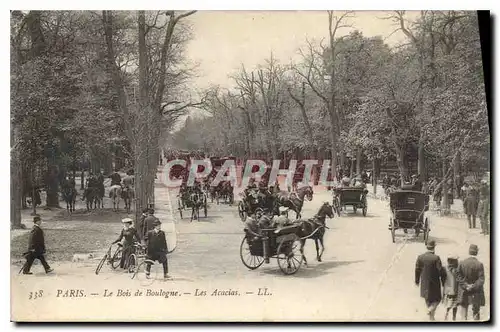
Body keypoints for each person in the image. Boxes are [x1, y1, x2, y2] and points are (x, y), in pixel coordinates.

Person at [415, 240, 446, 321]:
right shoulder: (436, 258)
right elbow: (440, 271)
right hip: (435, 283)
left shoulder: (420, 257)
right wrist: (443, 281)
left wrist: (417, 281)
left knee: (428, 300)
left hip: (424, 283)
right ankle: (431, 310)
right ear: (434, 247)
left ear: (427, 247)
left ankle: (431, 318)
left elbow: (417, 270)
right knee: (438, 299)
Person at [456, 244, 485, 321]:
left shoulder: (462, 263)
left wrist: (465, 285)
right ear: (477, 252)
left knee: (464, 310)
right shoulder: (479, 264)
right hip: (476, 292)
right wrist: (473, 286)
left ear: (469, 252)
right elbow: (481, 279)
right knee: (476, 312)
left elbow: (458, 276)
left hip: (464, 291)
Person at [443, 255, 459, 321]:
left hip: (447, 290)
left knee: (448, 305)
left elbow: (443, 278)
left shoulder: (445, 269)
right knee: (455, 305)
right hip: (455, 290)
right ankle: (454, 318)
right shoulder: (456, 270)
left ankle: (446, 316)